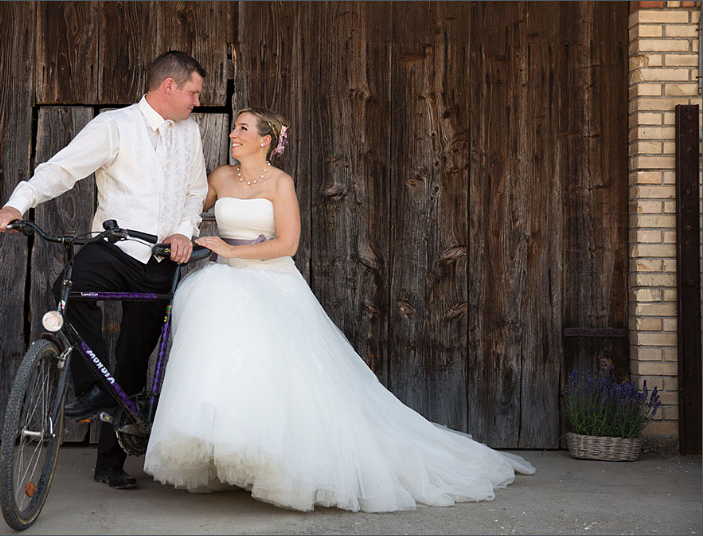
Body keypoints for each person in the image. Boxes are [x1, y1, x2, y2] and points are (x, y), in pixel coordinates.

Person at [143, 108, 535, 512]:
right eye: (234, 127)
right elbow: (190, 208)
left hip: (270, 279)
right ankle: (228, 453)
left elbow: (288, 244)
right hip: (224, 280)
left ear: (265, 140)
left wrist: (228, 247)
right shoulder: (220, 178)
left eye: (243, 128)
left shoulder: (280, 183)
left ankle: (286, 460)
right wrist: (180, 231)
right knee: (225, 357)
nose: (232, 134)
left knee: (290, 376)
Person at [0, 51, 209, 490]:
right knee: (69, 288)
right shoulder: (115, 125)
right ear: (169, 86)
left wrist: (184, 231)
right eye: (193, 92)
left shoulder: (191, 132)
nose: (197, 101)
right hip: (114, 248)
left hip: (162, 259)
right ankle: (93, 388)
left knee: (132, 357)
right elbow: (63, 168)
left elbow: (194, 193)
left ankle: (109, 463)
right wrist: (18, 203)